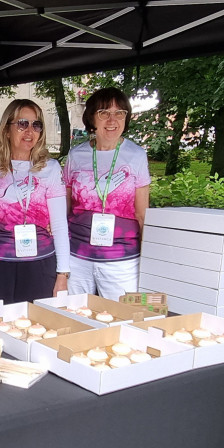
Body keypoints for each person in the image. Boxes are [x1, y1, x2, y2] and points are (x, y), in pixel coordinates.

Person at [0, 99, 70, 304]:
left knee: (34, 327)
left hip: (40, 264)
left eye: (36, 125)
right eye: (22, 124)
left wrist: (63, 274)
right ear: (7, 129)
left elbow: (60, 225)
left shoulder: (50, 168)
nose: (29, 131)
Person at [63, 87, 151, 299]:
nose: (112, 120)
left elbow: (142, 215)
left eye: (119, 113)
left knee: (123, 319)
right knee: (75, 318)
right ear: (92, 118)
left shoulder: (137, 155)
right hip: (77, 257)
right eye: (104, 113)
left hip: (122, 260)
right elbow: (65, 208)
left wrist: (148, 257)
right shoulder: (76, 155)